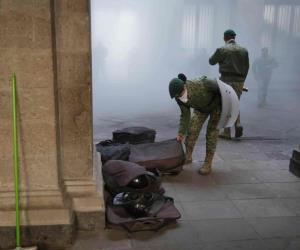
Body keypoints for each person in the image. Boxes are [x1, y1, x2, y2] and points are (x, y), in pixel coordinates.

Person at [169, 74, 221, 175]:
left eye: (180, 94)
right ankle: (188, 156)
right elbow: (185, 115)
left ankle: (208, 163)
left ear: (184, 87)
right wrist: (181, 133)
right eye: (176, 96)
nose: (179, 97)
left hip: (217, 106)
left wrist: (212, 105)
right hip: (201, 107)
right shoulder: (177, 97)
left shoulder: (203, 83)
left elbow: (221, 90)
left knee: (211, 133)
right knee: (192, 129)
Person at [209, 29, 249, 139]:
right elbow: (246, 67)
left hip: (226, 80)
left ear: (225, 37)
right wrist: (242, 81)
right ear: (234, 37)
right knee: (235, 102)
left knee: (226, 104)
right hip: (239, 81)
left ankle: (227, 132)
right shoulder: (244, 51)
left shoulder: (222, 49)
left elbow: (211, 61)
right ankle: (238, 123)